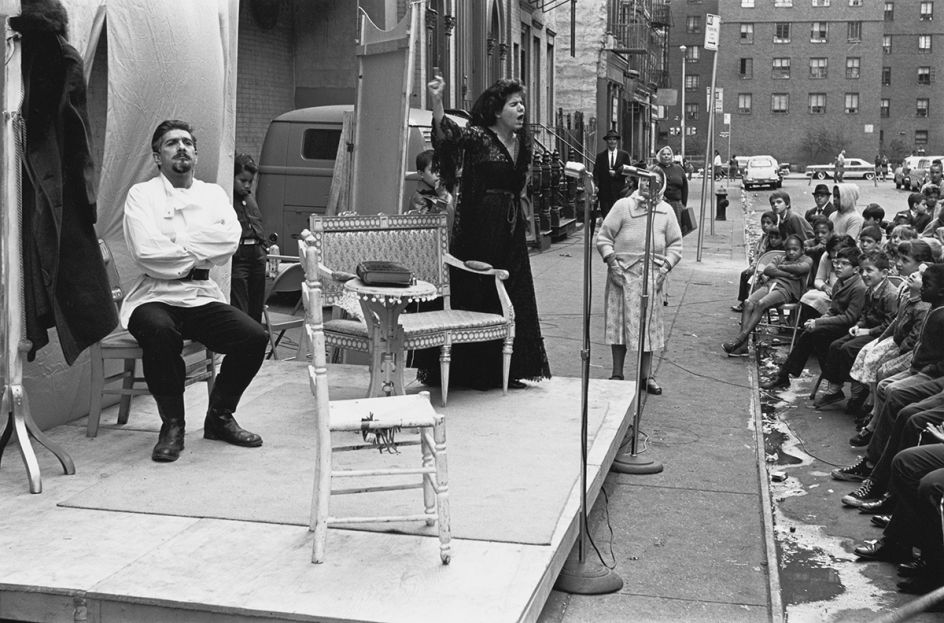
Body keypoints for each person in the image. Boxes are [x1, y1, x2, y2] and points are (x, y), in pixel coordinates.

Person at [122, 120, 268, 462]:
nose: (182, 147)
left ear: (196, 154)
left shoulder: (213, 194)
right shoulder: (141, 195)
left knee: (254, 337)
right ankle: (172, 424)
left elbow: (228, 241)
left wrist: (174, 243)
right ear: (158, 157)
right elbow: (145, 252)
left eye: (187, 142)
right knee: (159, 330)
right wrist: (199, 246)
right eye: (172, 143)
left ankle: (219, 416)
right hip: (154, 294)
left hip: (200, 293)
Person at [422, 74, 551, 390]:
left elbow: (521, 186)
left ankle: (508, 370)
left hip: (510, 227)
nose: (521, 109)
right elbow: (449, 137)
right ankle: (475, 372)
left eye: (522, 103)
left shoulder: (523, 142)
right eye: (514, 104)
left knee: (514, 291)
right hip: (481, 226)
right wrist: (438, 102)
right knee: (481, 290)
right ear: (497, 110)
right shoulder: (480, 136)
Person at [596, 165, 682, 394]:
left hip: (652, 277)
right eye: (644, 180)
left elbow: (676, 244)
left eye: (653, 181)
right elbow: (603, 238)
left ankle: (646, 377)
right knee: (620, 325)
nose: (647, 184)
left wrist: (665, 268)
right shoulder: (623, 206)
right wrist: (612, 263)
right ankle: (617, 373)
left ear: (661, 185)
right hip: (622, 274)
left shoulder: (666, 211)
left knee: (648, 327)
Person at [760, 246, 866, 390]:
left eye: (844, 264)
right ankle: (789, 375)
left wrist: (819, 322)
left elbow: (849, 318)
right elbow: (833, 309)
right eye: (837, 263)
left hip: (853, 328)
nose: (839, 267)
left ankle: (790, 375)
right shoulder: (840, 282)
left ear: (856, 269)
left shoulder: (858, 287)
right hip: (838, 324)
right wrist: (818, 321)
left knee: (814, 334)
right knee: (812, 333)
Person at [811, 250, 898, 409]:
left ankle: (858, 392)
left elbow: (889, 325)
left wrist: (868, 332)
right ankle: (835, 389)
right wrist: (859, 325)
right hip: (867, 331)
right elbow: (865, 313)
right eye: (863, 270)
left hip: (881, 335)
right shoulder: (869, 289)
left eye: (869, 270)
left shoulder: (890, 294)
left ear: (884, 273)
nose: (864, 274)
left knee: (848, 349)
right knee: (835, 345)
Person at [722, 235, 812, 357]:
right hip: (769, 286)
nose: (791, 252)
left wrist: (780, 268)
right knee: (748, 303)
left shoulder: (806, 259)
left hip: (785, 290)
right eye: (788, 249)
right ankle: (743, 347)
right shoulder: (779, 257)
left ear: (802, 250)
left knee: (760, 304)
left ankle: (739, 340)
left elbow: (802, 268)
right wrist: (787, 273)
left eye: (795, 249)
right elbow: (768, 270)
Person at [230, 153, 267, 323]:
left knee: (256, 306)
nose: (247, 185)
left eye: (250, 181)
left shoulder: (249, 198)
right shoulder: (227, 198)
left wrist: (264, 248)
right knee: (240, 306)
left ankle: (255, 346)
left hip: (257, 254)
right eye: (242, 180)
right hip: (239, 256)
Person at [407, 148, 454, 231]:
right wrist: (442, 196)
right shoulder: (418, 199)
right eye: (432, 170)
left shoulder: (438, 193)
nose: (438, 173)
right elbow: (428, 228)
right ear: (421, 173)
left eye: (439, 169)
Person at [593, 129, 631, 219]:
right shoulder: (600, 156)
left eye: (614, 139)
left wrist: (617, 174)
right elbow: (596, 172)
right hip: (604, 191)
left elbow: (628, 171)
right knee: (606, 216)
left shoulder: (624, 155)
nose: (612, 141)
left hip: (619, 191)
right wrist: (596, 185)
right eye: (610, 139)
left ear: (617, 141)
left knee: (618, 215)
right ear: (607, 141)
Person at [653, 145, 688, 234]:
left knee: (675, 230)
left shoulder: (679, 169)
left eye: (668, 154)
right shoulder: (655, 169)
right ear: (659, 156)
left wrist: (683, 204)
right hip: (660, 204)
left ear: (671, 156)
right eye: (664, 154)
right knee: (661, 229)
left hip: (676, 205)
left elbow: (685, 187)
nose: (666, 156)